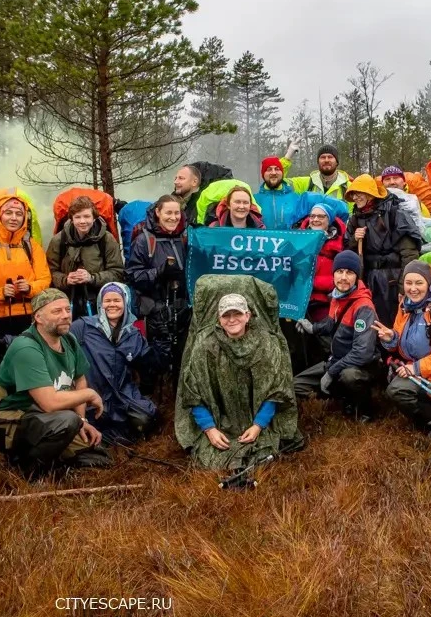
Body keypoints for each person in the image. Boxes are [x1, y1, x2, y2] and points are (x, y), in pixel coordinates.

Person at [0, 289, 112, 476]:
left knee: (99, 458)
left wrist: (83, 421)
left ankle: (53, 459)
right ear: (39, 318)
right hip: (8, 421)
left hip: (47, 418)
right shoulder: (26, 347)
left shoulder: (68, 339)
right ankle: (28, 469)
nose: (66, 316)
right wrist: (90, 395)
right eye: (57, 311)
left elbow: (79, 379)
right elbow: (49, 402)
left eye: (67, 310)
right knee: (68, 422)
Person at [174, 292, 302, 470]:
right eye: (226, 315)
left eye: (237, 314)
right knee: (211, 459)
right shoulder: (205, 346)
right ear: (219, 319)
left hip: (256, 418)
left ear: (247, 316)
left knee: (262, 457)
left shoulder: (266, 343)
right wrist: (209, 428)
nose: (232, 320)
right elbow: (193, 391)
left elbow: (277, 389)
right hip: (220, 420)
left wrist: (259, 425)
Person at [374, 261, 431, 438]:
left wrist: (417, 368)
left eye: (419, 283)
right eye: (409, 283)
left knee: (397, 390)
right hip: (417, 368)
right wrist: (391, 338)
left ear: (429, 284)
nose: (413, 289)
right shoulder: (405, 306)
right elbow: (402, 340)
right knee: (393, 387)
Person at [0, 193, 51, 397]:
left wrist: (30, 287)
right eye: (8, 212)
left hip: (26, 317)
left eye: (19, 213)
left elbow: (45, 279)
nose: (14, 218)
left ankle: (26, 412)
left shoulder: (32, 246)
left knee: (28, 367)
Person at [293, 251, 380, 420]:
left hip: (361, 366)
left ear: (357, 276)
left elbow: (362, 352)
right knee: (296, 385)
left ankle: (365, 409)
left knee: (350, 376)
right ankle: (342, 397)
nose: (343, 277)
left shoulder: (364, 307)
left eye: (349, 273)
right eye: (339, 272)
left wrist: (331, 372)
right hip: (337, 360)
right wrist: (312, 328)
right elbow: (331, 322)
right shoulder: (337, 296)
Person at [68, 282, 157, 443]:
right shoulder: (83, 327)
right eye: (107, 301)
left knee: (145, 419)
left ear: (125, 303)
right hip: (91, 394)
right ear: (100, 304)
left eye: (117, 300)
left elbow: (148, 364)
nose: (112, 305)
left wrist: (160, 343)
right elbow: (57, 341)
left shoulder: (133, 334)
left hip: (121, 394)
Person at [124, 195, 190, 390]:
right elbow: (132, 276)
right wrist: (158, 273)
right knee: (155, 363)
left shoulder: (185, 238)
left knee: (181, 359)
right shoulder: (144, 240)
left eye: (177, 212)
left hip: (182, 308)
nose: (173, 217)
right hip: (155, 311)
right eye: (168, 212)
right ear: (158, 213)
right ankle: (152, 405)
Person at [344, 175, 422, 325]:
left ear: (370, 194)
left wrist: (403, 288)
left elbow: (409, 254)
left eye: (359, 192)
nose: (356, 197)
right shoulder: (355, 219)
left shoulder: (394, 213)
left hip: (393, 279)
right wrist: (355, 239)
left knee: (394, 323)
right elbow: (347, 251)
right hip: (368, 280)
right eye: (353, 194)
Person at [46, 196, 126, 319]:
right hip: (66, 301)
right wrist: (65, 279)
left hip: (99, 301)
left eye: (87, 216)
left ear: (94, 218)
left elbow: (117, 272)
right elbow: (50, 272)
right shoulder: (59, 240)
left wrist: (91, 278)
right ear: (71, 219)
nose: (82, 221)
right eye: (77, 217)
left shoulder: (106, 239)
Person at [172, 161, 234, 229]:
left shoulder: (211, 206)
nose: (175, 182)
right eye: (175, 178)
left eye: (181, 178)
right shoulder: (171, 202)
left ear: (195, 182)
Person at [281, 143, 352, 202]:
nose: (326, 160)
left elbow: (352, 214)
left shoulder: (349, 187)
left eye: (330, 157)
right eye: (323, 157)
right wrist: (287, 158)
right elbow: (277, 180)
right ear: (318, 162)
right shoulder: (305, 184)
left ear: (337, 162)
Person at [255, 156, 306, 230]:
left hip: (291, 241)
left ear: (282, 173)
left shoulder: (297, 199)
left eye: (277, 169)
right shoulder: (254, 200)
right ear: (263, 174)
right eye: (269, 169)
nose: (273, 173)